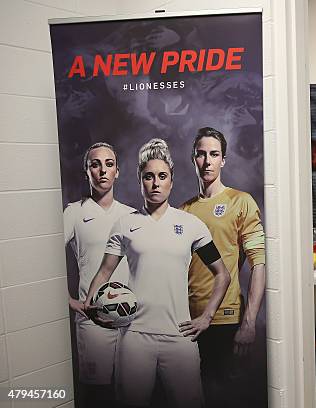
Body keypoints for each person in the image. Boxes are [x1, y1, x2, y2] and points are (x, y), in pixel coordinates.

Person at [83, 138, 231, 408]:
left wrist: (206, 317)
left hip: (180, 336)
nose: (155, 183)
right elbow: (104, 272)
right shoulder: (124, 224)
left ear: (171, 181)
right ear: (140, 181)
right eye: (148, 177)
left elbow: (222, 274)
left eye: (162, 176)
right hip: (134, 337)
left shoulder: (191, 224)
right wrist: (91, 304)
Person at [180, 127, 266, 407]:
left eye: (214, 155)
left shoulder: (240, 202)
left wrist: (249, 322)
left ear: (223, 160)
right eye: (202, 154)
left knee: (223, 396)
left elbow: (259, 265)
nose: (207, 161)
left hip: (225, 320)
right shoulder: (184, 211)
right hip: (187, 321)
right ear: (194, 159)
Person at [64, 142, 135, 408]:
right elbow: (44, 261)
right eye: (95, 164)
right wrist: (71, 301)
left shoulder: (131, 214)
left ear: (118, 171)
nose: (102, 170)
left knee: (133, 394)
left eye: (109, 164)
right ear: (86, 171)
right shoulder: (74, 212)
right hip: (93, 322)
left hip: (131, 323)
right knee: (98, 397)